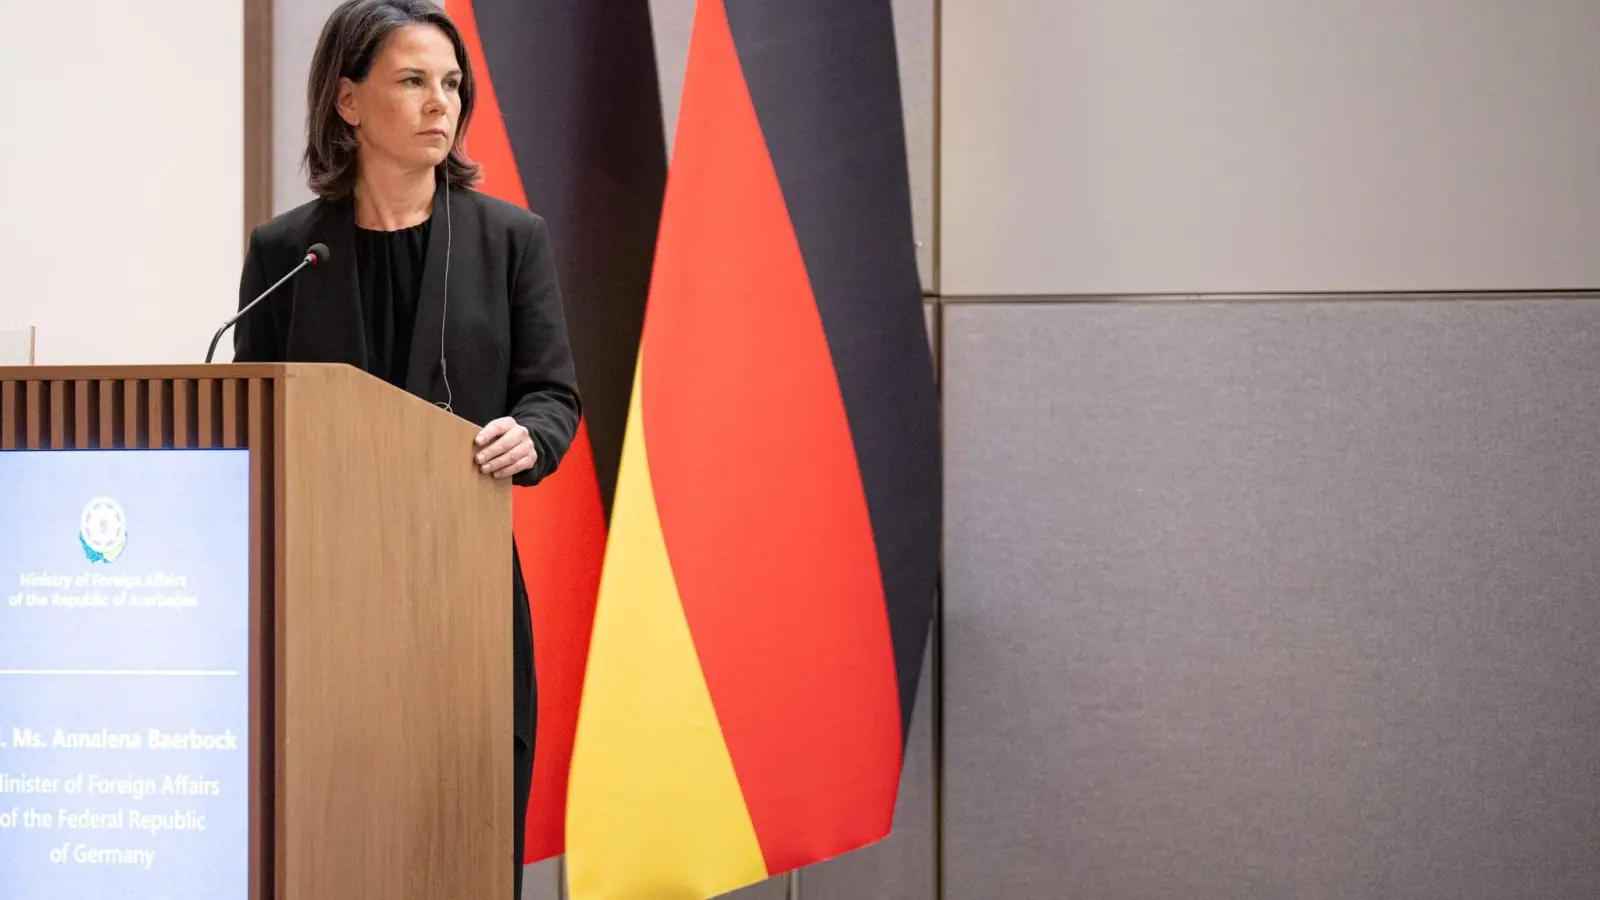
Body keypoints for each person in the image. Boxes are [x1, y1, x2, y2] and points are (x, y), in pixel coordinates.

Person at [232, 1, 580, 895]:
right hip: (323, 603)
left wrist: (528, 435)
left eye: (452, 84)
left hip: (461, 588)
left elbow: (553, 394)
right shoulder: (286, 253)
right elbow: (252, 416)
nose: (441, 104)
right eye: (413, 81)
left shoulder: (510, 240)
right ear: (348, 102)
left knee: (458, 838)